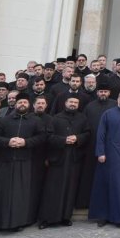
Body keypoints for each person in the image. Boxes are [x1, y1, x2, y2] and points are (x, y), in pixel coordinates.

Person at [0, 95, 46, 233]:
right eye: (20, 102)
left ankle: (17, 223)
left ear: (29, 105)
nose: (22, 104)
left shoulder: (35, 120)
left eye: (25, 101)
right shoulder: (5, 120)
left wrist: (26, 142)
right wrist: (8, 142)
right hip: (5, 160)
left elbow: (42, 137)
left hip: (24, 161)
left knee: (20, 194)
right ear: (15, 104)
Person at [38, 95, 89, 228]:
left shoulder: (82, 118)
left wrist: (77, 138)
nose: (73, 104)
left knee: (70, 189)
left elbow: (87, 134)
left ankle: (65, 217)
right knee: (52, 190)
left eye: (76, 102)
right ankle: (47, 219)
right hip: (58, 159)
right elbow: (48, 137)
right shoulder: (55, 118)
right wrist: (63, 140)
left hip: (74, 158)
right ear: (65, 103)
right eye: (71, 101)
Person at [90, 89, 120, 228]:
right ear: (118, 99)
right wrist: (100, 152)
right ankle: (103, 216)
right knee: (106, 186)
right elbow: (101, 134)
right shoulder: (108, 114)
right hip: (109, 156)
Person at [76, 83, 115, 209]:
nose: (103, 93)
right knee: (90, 176)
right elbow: (84, 126)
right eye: (101, 91)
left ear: (109, 93)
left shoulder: (115, 105)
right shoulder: (89, 106)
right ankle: (86, 202)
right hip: (91, 146)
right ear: (97, 93)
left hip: (110, 147)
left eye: (105, 91)